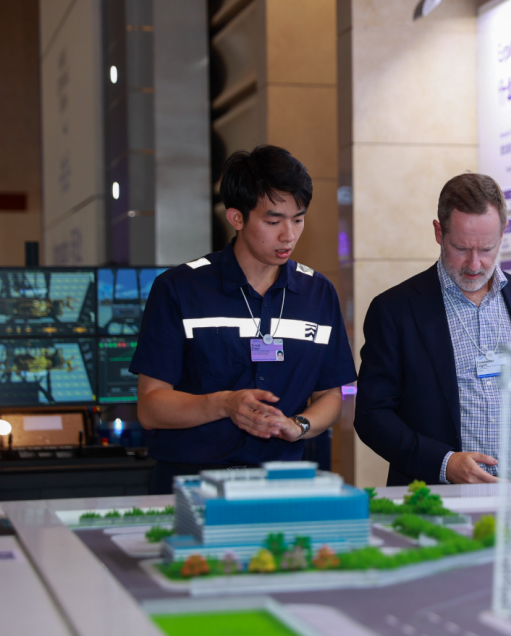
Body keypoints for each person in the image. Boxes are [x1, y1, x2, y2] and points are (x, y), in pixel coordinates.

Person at [131, 145, 357, 494]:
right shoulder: (179, 289)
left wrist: (298, 425)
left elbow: (335, 393)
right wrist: (224, 404)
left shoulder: (318, 293)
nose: (288, 235)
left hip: (282, 484)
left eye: (298, 219)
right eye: (273, 221)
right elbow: (150, 406)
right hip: (191, 482)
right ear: (236, 218)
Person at [354, 173, 511, 486]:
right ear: (439, 232)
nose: (474, 264)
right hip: (434, 494)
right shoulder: (395, 309)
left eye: (487, 249)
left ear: (503, 234)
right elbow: (372, 415)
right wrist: (443, 463)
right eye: (461, 248)